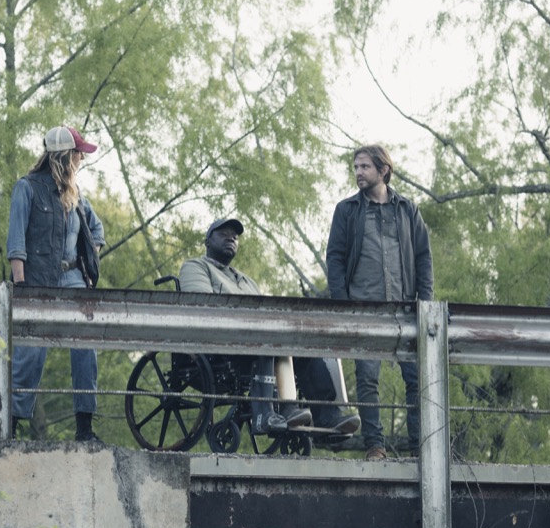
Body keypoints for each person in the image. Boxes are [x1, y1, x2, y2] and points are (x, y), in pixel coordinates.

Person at [180, 218, 360, 436]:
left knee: (309, 348)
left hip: (255, 337)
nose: (231, 238)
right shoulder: (195, 266)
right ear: (207, 240)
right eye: (224, 233)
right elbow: (201, 306)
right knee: (271, 337)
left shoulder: (246, 280)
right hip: (219, 343)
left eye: (235, 236)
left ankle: (326, 415)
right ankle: (266, 414)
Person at [325, 144, 434, 460]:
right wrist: (343, 304)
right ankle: (375, 446)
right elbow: (335, 258)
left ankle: (418, 449)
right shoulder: (347, 210)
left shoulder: (407, 210)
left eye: (364, 167)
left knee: (415, 380)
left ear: (383, 170)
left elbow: (423, 257)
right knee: (367, 378)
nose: (358, 172)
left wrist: (424, 305)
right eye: (356, 167)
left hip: (404, 309)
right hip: (364, 309)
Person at [6, 125, 106, 442]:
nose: (81, 158)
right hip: (37, 282)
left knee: (85, 347)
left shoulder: (77, 197)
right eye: (79, 153)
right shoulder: (27, 188)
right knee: (29, 353)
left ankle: (85, 428)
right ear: (65, 155)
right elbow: (16, 241)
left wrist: (89, 268)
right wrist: (21, 287)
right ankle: (12, 424)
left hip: (73, 280)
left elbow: (97, 232)